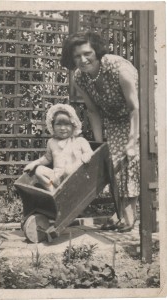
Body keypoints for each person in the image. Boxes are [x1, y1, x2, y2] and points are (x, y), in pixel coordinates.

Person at [61, 31, 140, 232]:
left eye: (87, 53)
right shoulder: (80, 78)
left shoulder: (119, 69)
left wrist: (132, 140)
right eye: (77, 56)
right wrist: (99, 144)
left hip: (139, 115)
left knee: (130, 158)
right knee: (111, 162)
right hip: (114, 119)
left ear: (96, 51)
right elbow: (93, 111)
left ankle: (129, 217)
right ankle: (120, 213)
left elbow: (135, 107)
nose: (82, 59)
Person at [24, 103, 93, 192]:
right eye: (58, 124)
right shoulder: (51, 142)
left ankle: (62, 190)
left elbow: (89, 152)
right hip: (56, 177)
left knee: (68, 169)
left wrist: (86, 156)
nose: (63, 128)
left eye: (67, 124)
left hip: (74, 176)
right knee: (39, 171)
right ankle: (51, 190)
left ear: (73, 126)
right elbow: (47, 158)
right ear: (52, 126)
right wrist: (34, 163)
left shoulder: (80, 141)